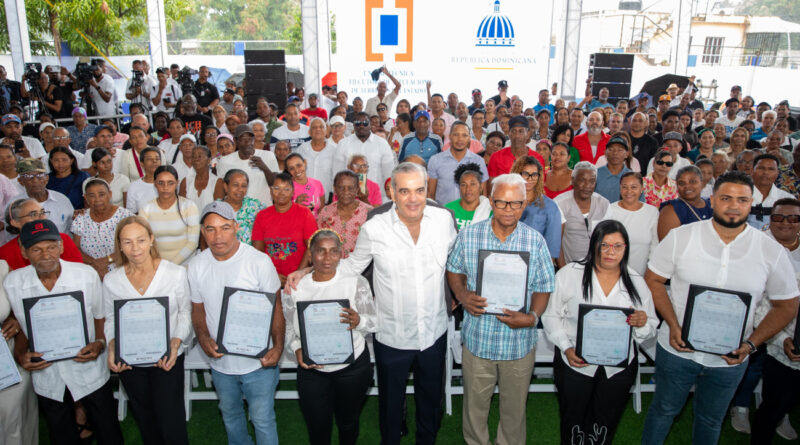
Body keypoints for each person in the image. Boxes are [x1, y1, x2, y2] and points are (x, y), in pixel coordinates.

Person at [287, 162, 457, 445]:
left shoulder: (443, 221)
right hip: (391, 335)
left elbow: (456, 261)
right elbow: (353, 266)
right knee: (391, 406)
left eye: (419, 190)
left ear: (427, 191)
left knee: (430, 404)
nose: (413, 199)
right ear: (392, 191)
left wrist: (459, 294)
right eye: (404, 191)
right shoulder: (375, 227)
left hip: (434, 332)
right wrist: (308, 270)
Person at [641, 171, 800, 445]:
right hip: (677, 350)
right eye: (726, 198)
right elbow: (653, 279)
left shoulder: (770, 250)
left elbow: (787, 304)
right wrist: (673, 324)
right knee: (663, 411)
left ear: (751, 204)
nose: (734, 205)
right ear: (712, 200)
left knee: (710, 420)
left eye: (742, 200)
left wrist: (751, 344)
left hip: (730, 359)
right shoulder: (681, 236)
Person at [446, 173, 554, 445]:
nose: (508, 209)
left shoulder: (535, 241)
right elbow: (453, 269)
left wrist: (532, 317)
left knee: (514, 412)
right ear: (491, 202)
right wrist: (462, 295)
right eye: (502, 202)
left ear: (524, 204)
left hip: (518, 343)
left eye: (516, 203)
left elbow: (544, 286)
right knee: (474, 409)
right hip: (478, 339)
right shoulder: (469, 236)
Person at [5, 219, 124, 444]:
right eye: (36, 249)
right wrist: (20, 354)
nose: (45, 255)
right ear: (24, 252)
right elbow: (21, 324)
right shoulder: (13, 283)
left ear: (61, 247)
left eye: (51, 247)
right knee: (61, 433)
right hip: (47, 371)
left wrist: (99, 343)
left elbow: (100, 316)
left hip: (88, 367)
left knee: (107, 428)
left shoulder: (85, 275)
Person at [544, 220, 657, 444]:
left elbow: (650, 324)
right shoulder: (570, 274)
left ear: (626, 248)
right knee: (573, 422)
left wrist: (642, 322)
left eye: (617, 246)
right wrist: (566, 348)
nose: (610, 252)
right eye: (604, 245)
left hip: (617, 370)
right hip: (575, 362)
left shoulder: (636, 282)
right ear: (594, 244)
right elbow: (550, 316)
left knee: (604, 423)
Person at [189, 201, 285, 445]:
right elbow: (198, 309)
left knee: (262, 419)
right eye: (210, 229)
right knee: (231, 416)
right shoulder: (197, 265)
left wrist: (278, 347)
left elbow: (276, 307)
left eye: (224, 227)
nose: (218, 236)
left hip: (258, 363)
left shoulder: (258, 261)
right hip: (221, 363)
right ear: (202, 232)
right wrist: (203, 337)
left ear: (236, 227)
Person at [282, 229, 376, 445]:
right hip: (313, 370)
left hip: (352, 367)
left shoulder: (356, 282)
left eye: (334, 251)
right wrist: (297, 348)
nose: (327, 257)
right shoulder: (296, 287)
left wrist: (359, 321)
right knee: (317, 427)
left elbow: (374, 322)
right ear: (310, 253)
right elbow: (288, 326)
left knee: (348, 423)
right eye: (321, 251)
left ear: (341, 254)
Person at [103, 216, 191, 445]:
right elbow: (111, 319)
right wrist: (112, 346)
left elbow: (185, 313)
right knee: (145, 420)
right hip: (130, 363)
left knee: (171, 423)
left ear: (151, 239)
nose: (135, 248)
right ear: (120, 245)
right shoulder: (112, 280)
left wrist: (175, 343)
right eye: (128, 242)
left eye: (141, 240)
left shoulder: (175, 273)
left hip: (167, 359)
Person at [749, 198, 800, 442]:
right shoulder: (758, 248)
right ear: (771, 219)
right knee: (772, 406)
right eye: (779, 217)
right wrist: (781, 339)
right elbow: (758, 304)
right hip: (780, 343)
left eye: (794, 218)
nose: (786, 223)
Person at [252, 173, 318, 284]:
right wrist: (271, 274)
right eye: (276, 188)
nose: (281, 193)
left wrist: (297, 274)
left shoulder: (304, 213)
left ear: (293, 192)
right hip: (269, 278)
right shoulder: (262, 216)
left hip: (300, 279)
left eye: (286, 189)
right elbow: (257, 253)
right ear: (271, 191)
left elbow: (311, 248)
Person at [0, 257, 39, 445]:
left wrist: (16, 319)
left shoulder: (3, 268)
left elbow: (21, 306)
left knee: (12, 419)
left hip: (5, 356)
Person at [71, 178, 133, 279]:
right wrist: (95, 264)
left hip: (122, 271)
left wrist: (105, 261)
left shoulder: (125, 216)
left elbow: (131, 245)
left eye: (101, 194)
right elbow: (75, 248)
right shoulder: (81, 218)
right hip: (91, 271)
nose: (97, 199)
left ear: (110, 194)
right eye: (92, 196)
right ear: (86, 198)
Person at [138, 166, 200, 266]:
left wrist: (170, 266)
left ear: (177, 183)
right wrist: (158, 265)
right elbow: (142, 241)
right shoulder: (146, 209)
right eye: (160, 183)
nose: (165, 187)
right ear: (154, 184)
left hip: (185, 266)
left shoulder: (188, 206)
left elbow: (193, 243)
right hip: (157, 266)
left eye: (170, 183)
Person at [554, 162, 610, 267]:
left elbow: (609, 239)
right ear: (573, 180)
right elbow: (556, 242)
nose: (587, 186)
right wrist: (564, 270)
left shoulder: (604, 204)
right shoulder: (560, 203)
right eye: (582, 180)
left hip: (597, 267)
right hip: (569, 266)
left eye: (592, 181)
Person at [605, 172, 659, 275]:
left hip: (641, 273)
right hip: (613, 273)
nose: (629, 191)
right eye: (624, 187)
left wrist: (651, 272)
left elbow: (655, 244)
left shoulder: (652, 212)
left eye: (634, 187)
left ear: (642, 189)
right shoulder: (610, 210)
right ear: (620, 189)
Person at [333, 111, 396, 200]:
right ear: (353, 125)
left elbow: (389, 172)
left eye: (365, 123)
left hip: (376, 197)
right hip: (349, 197)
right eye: (358, 123)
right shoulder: (343, 144)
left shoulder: (382, 143)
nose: (361, 126)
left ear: (370, 125)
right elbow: (337, 173)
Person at [216, 124, 279, 207]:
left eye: (250, 139)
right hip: (237, 210)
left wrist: (264, 167)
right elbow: (221, 189)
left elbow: (276, 184)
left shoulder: (268, 156)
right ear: (235, 141)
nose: (247, 142)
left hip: (263, 208)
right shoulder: (225, 161)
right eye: (243, 139)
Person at [427, 121, 488, 205]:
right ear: (450, 136)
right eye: (456, 135)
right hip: (443, 210)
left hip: (470, 212)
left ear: (469, 138)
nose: (460, 139)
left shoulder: (478, 161)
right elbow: (431, 194)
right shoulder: (435, 160)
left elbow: (483, 195)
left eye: (464, 135)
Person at [512, 156, 561, 260]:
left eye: (534, 174)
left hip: (536, 262)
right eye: (525, 174)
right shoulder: (505, 202)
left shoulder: (550, 207)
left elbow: (552, 248)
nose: (530, 179)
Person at [316, 171, 373, 257]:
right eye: (341, 188)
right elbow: (319, 241)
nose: (346, 192)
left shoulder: (368, 212)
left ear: (357, 189)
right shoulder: (326, 212)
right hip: (332, 263)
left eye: (350, 188)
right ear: (335, 189)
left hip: (361, 263)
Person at [13, 158, 73, 234]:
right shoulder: (14, 204)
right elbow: (11, 235)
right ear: (21, 181)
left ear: (47, 178)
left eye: (40, 175)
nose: (35, 180)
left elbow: (72, 228)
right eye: (29, 176)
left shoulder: (62, 200)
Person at [657, 165, 712, 240]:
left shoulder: (712, 205)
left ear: (702, 183)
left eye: (692, 181)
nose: (687, 186)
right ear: (677, 186)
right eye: (682, 183)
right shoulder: (671, 209)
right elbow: (667, 244)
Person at [296, 118, 336, 197]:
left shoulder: (334, 151)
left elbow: (336, 175)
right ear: (309, 132)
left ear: (326, 131)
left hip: (326, 197)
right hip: (303, 197)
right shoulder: (301, 149)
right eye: (314, 127)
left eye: (321, 127)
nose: (318, 129)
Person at [445, 163, 492, 230]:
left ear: (481, 187)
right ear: (459, 187)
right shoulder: (448, 210)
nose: (468, 189)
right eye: (463, 185)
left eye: (472, 184)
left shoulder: (489, 211)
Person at [179, 145, 223, 212]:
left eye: (200, 156)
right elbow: (181, 207)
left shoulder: (217, 182)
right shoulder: (186, 181)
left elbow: (218, 209)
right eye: (193, 156)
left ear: (209, 160)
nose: (196, 159)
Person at [45, 146, 90, 210]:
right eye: (56, 160)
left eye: (64, 160)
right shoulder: (47, 179)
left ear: (71, 160)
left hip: (78, 214)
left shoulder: (83, 176)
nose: (60, 163)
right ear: (51, 161)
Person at [594, 136, 635, 203]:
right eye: (611, 149)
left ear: (627, 154)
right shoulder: (595, 174)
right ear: (605, 153)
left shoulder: (633, 177)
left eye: (620, 150)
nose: (615, 153)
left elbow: (639, 203)